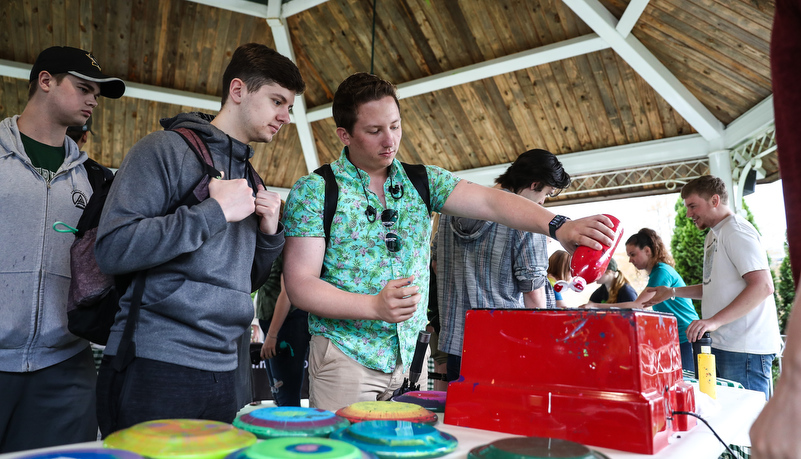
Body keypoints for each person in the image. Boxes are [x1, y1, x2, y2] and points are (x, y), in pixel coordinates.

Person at [281, 72, 615, 412]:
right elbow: (300, 284)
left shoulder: (423, 180)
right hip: (346, 358)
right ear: (345, 135)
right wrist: (373, 307)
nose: (389, 141)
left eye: (395, 126)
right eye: (374, 131)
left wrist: (558, 226)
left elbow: (491, 202)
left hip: (411, 361)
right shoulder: (315, 191)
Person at [93, 43, 305, 435]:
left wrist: (271, 235)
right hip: (158, 361)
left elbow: (245, 283)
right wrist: (215, 212)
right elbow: (112, 248)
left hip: (228, 370)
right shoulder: (162, 150)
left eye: (289, 107)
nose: (285, 118)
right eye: (278, 101)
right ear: (238, 91)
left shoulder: (251, 180)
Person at [0, 46, 125, 453]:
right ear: (46, 81)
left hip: (65, 368)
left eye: (97, 93)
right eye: (84, 87)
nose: (93, 99)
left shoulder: (96, 181)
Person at [434, 149, 570, 382]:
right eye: (546, 193)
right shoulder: (530, 221)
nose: (543, 202)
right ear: (534, 184)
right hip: (504, 346)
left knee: (464, 417)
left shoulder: (451, 210)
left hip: (456, 345)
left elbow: (436, 265)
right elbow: (535, 297)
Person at [644, 175, 781, 400]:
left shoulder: (736, 230)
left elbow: (763, 286)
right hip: (723, 344)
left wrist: (713, 321)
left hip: (745, 349)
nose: (688, 214)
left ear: (715, 200)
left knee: (746, 424)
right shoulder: (713, 236)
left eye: (693, 206)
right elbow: (712, 287)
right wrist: (672, 293)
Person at [625, 228, 700, 371]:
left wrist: (596, 307)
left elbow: (639, 305)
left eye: (633, 254)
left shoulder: (662, 271)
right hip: (677, 338)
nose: (630, 260)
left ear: (647, 250)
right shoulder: (657, 272)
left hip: (686, 337)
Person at [255, 253, 311, 406]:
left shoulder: (286, 244)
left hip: (287, 325)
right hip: (272, 325)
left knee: (287, 398)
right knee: (278, 393)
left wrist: (272, 335)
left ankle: (293, 428)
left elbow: (287, 293)